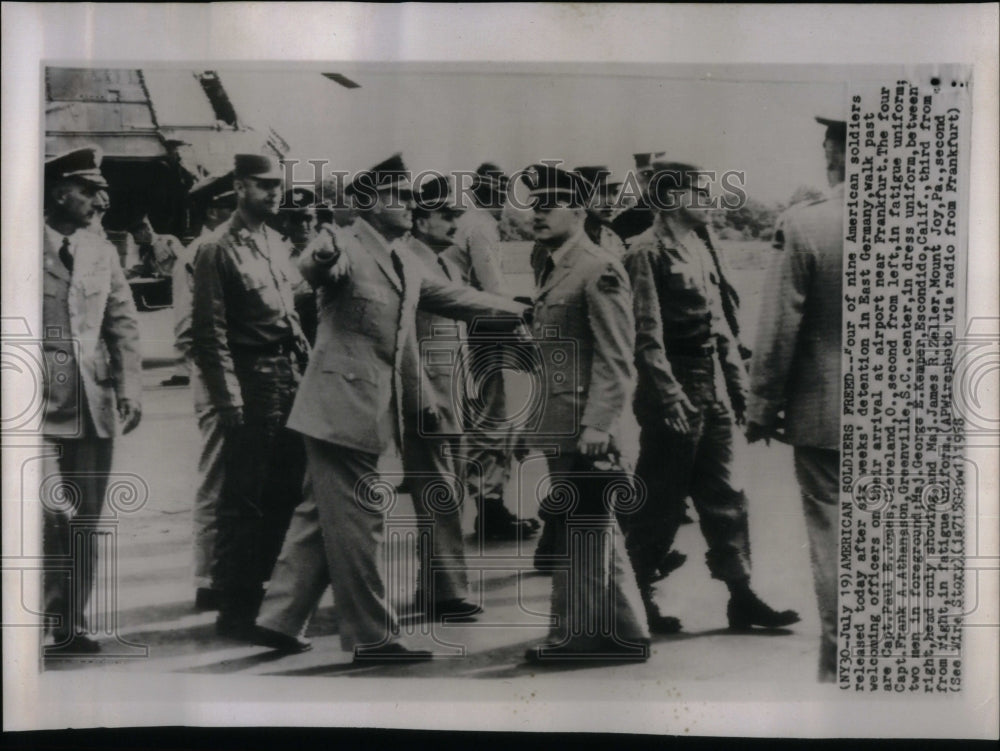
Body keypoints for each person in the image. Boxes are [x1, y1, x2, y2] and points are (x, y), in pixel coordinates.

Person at [284, 154, 528, 662]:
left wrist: (520, 310)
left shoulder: (402, 258)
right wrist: (321, 254)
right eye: (399, 196)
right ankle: (372, 639)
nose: (411, 205)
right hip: (340, 408)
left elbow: (455, 297)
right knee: (358, 526)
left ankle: (278, 620)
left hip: (354, 410)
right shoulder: (346, 242)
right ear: (370, 204)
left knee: (318, 520)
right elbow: (313, 271)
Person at [621, 160, 800, 634]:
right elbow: (645, 335)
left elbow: (720, 327)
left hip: (711, 388)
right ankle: (636, 599)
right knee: (659, 501)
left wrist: (740, 394)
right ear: (671, 198)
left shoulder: (698, 246)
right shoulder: (645, 252)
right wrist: (668, 395)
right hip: (673, 388)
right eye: (698, 192)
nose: (708, 200)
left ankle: (741, 595)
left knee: (726, 495)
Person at [518, 163, 649, 663]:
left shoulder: (598, 268)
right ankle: (626, 632)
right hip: (563, 421)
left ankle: (575, 638)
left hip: (584, 426)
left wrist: (600, 424)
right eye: (535, 205)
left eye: (550, 205)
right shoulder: (556, 264)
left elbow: (617, 358)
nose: (539, 214)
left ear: (578, 210)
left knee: (583, 531)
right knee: (593, 528)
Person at [191, 153, 309, 639]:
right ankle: (235, 608)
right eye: (263, 185)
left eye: (277, 185)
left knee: (282, 493)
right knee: (243, 500)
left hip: (287, 375)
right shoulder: (217, 249)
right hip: (251, 379)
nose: (273, 193)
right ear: (239, 187)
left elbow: (291, 313)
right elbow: (209, 332)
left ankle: (263, 600)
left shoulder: (274, 243)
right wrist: (228, 399)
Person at [746, 116, 847, 682]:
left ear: (832, 151)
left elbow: (779, 325)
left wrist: (762, 407)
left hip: (825, 412)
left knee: (832, 535)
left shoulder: (807, 225)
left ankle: (839, 663)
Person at [40, 146, 143, 654]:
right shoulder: (16, 243)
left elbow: (122, 322)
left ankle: (68, 622)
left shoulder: (101, 251)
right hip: (31, 406)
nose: (98, 200)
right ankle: (41, 608)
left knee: (86, 517)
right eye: (87, 189)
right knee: (45, 513)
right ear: (60, 192)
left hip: (91, 403)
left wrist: (130, 388)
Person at [443, 163, 538, 541]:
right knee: (492, 419)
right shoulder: (480, 226)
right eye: (495, 190)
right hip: (483, 327)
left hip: (473, 324)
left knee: (490, 418)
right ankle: (490, 509)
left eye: (503, 190)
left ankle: (491, 505)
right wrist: (527, 314)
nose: (500, 197)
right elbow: (492, 289)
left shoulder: (472, 222)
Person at [174, 172, 236, 610]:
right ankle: (208, 576)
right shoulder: (201, 252)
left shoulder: (237, 247)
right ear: (214, 209)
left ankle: (231, 570)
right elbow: (188, 333)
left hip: (243, 379)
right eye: (231, 203)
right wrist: (216, 384)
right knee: (217, 477)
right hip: (216, 382)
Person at [277, 187, 320, 345]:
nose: (303, 225)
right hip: (287, 336)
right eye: (296, 219)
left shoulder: (328, 251)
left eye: (308, 218)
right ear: (285, 222)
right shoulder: (274, 253)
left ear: (316, 220)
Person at [610, 151, 663, 243]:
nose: (655, 180)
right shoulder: (623, 223)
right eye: (647, 174)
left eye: (660, 175)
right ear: (638, 177)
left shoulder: (682, 218)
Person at [575, 165, 627, 257]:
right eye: (603, 193)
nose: (612, 202)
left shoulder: (613, 239)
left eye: (615, 193)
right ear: (582, 197)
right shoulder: (566, 239)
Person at [127, 215, 182, 279]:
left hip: (177, 281)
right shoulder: (145, 253)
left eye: (134, 236)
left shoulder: (168, 240)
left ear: (142, 232)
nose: (134, 241)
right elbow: (145, 270)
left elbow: (184, 260)